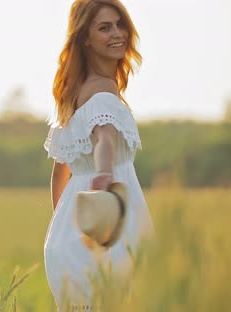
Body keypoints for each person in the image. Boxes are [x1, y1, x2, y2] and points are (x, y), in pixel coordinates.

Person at [42, 0, 155, 310]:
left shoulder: (73, 94)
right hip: (110, 222)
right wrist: (105, 175)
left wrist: (62, 225)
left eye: (120, 25)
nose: (117, 33)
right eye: (105, 27)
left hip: (67, 234)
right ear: (85, 38)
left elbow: (59, 172)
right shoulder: (104, 90)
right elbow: (105, 137)